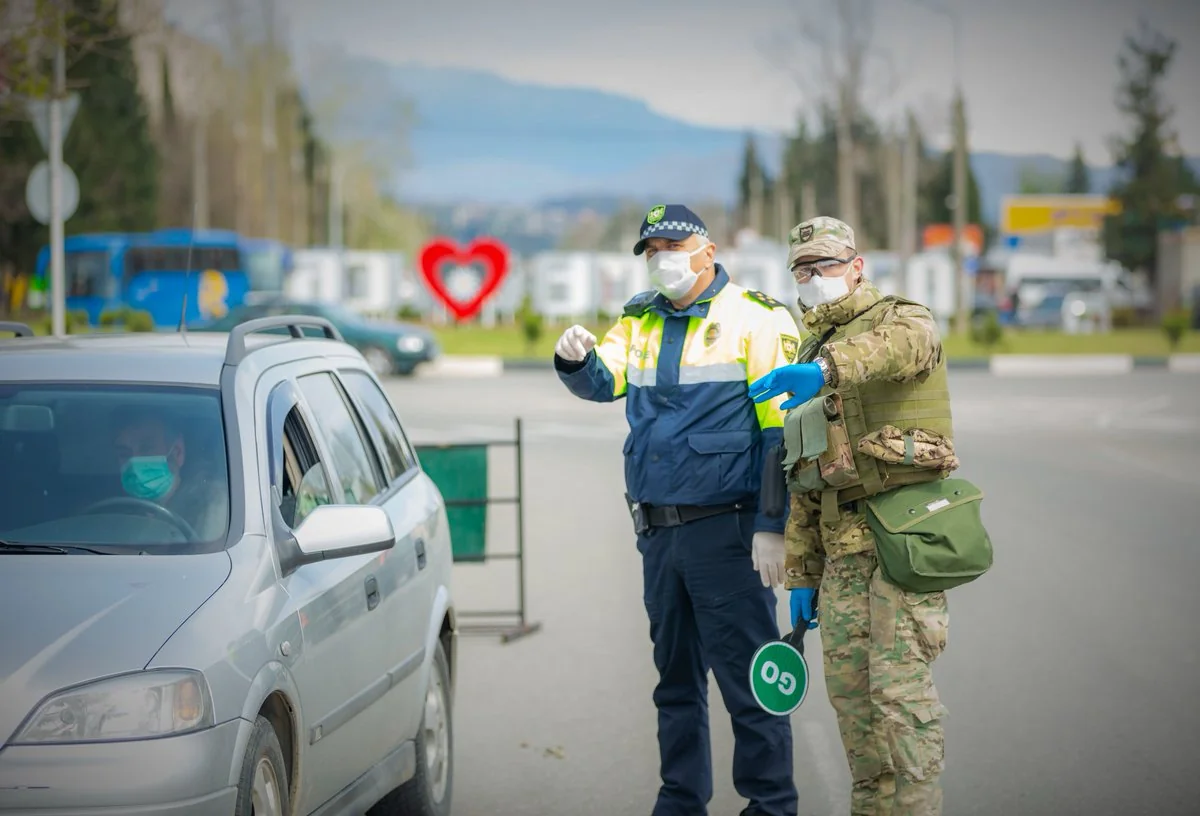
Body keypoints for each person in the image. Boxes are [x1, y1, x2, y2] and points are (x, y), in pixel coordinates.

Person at [554, 204, 802, 816]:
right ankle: (681, 801)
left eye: (673, 244)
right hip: (659, 535)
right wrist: (574, 360)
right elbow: (602, 382)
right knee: (676, 686)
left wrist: (773, 526)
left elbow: (781, 434)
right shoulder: (638, 318)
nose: (662, 256)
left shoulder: (755, 318)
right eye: (652, 248)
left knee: (749, 686)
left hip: (729, 531)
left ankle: (770, 806)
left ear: (707, 250)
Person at [748, 216, 956, 816]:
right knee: (858, 720)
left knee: (900, 711)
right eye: (804, 270)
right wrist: (802, 576)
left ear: (857, 267)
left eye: (827, 265)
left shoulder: (902, 318)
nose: (815, 278)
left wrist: (826, 371)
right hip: (840, 557)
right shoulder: (807, 352)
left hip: (900, 545)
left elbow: (897, 352)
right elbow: (807, 479)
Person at [112, 407, 229, 540]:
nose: (134, 461)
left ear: (177, 452)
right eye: (124, 453)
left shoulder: (212, 507)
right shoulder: (116, 515)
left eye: (146, 449)